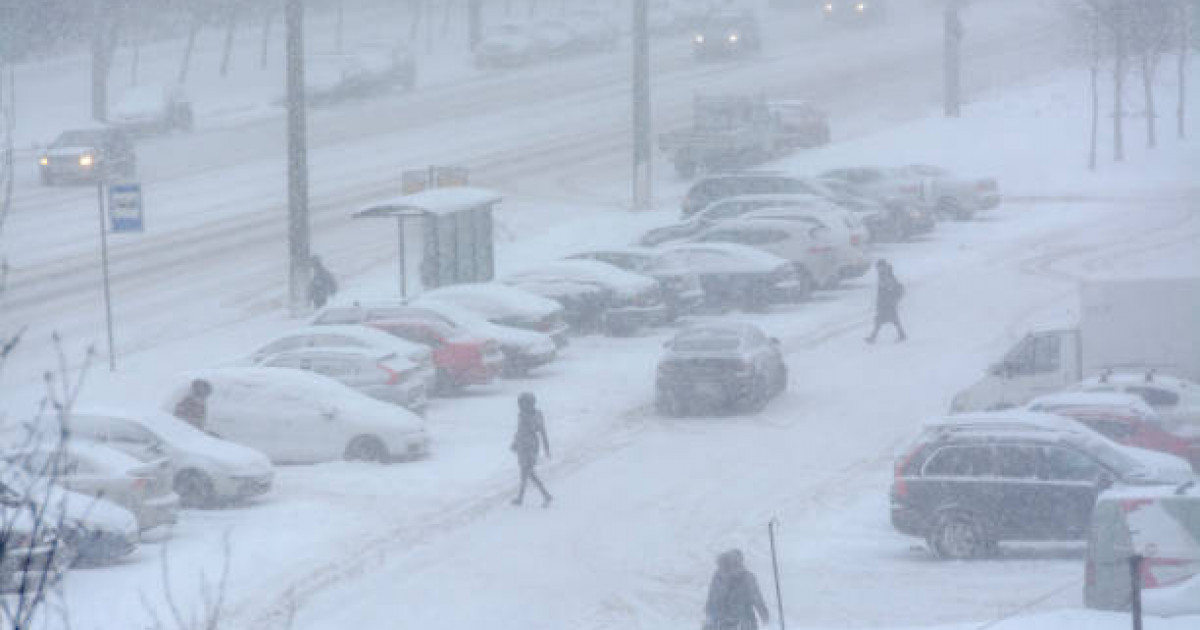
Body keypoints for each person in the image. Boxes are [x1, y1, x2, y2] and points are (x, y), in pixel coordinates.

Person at [704, 549, 770, 630]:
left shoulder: (747, 578)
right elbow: (711, 598)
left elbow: (756, 597)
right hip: (729, 621)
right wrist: (763, 613)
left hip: (739, 620)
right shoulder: (718, 577)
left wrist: (763, 612)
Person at [510, 392, 552, 507]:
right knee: (525, 473)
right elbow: (519, 430)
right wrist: (515, 442)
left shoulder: (536, 416)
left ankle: (545, 495)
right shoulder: (521, 415)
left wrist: (546, 448)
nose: (520, 406)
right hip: (522, 446)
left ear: (530, 403)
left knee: (528, 472)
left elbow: (543, 432)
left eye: (523, 403)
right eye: (520, 404)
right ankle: (522, 498)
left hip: (530, 447)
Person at [865, 259, 907, 343]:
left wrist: (887, 296)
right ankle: (901, 334)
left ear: (883, 266)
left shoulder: (886, 275)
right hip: (887, 301)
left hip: (887, 302)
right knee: (892, 319)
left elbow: (888, 287)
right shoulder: (885, 274)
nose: (878, 269)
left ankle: (873, 337)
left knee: (881, 319)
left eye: (879, 267)